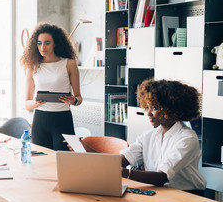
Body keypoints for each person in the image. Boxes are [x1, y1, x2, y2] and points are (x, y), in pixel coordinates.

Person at [73, 78, 206, 195]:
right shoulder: (149, 135)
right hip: (159, 191)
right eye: (147, 107)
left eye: (153, 108)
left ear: (171, 109)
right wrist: (87, 150)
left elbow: (161, 177)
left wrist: (120, 172)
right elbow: (120, 161)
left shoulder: (187, 138)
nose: (148, 113)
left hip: (187, 194)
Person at [20, 22, 82, 151]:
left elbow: (79, 98)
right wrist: (36, 103)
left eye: (47, 43)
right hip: (40, 121)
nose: (42, 47)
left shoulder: (69, 64)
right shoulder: (33, 66)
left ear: (55, 43)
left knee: (64, 163)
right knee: (41, 165)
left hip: (62, 120)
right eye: (39, 43)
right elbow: (26, 104)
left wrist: (74, 100)